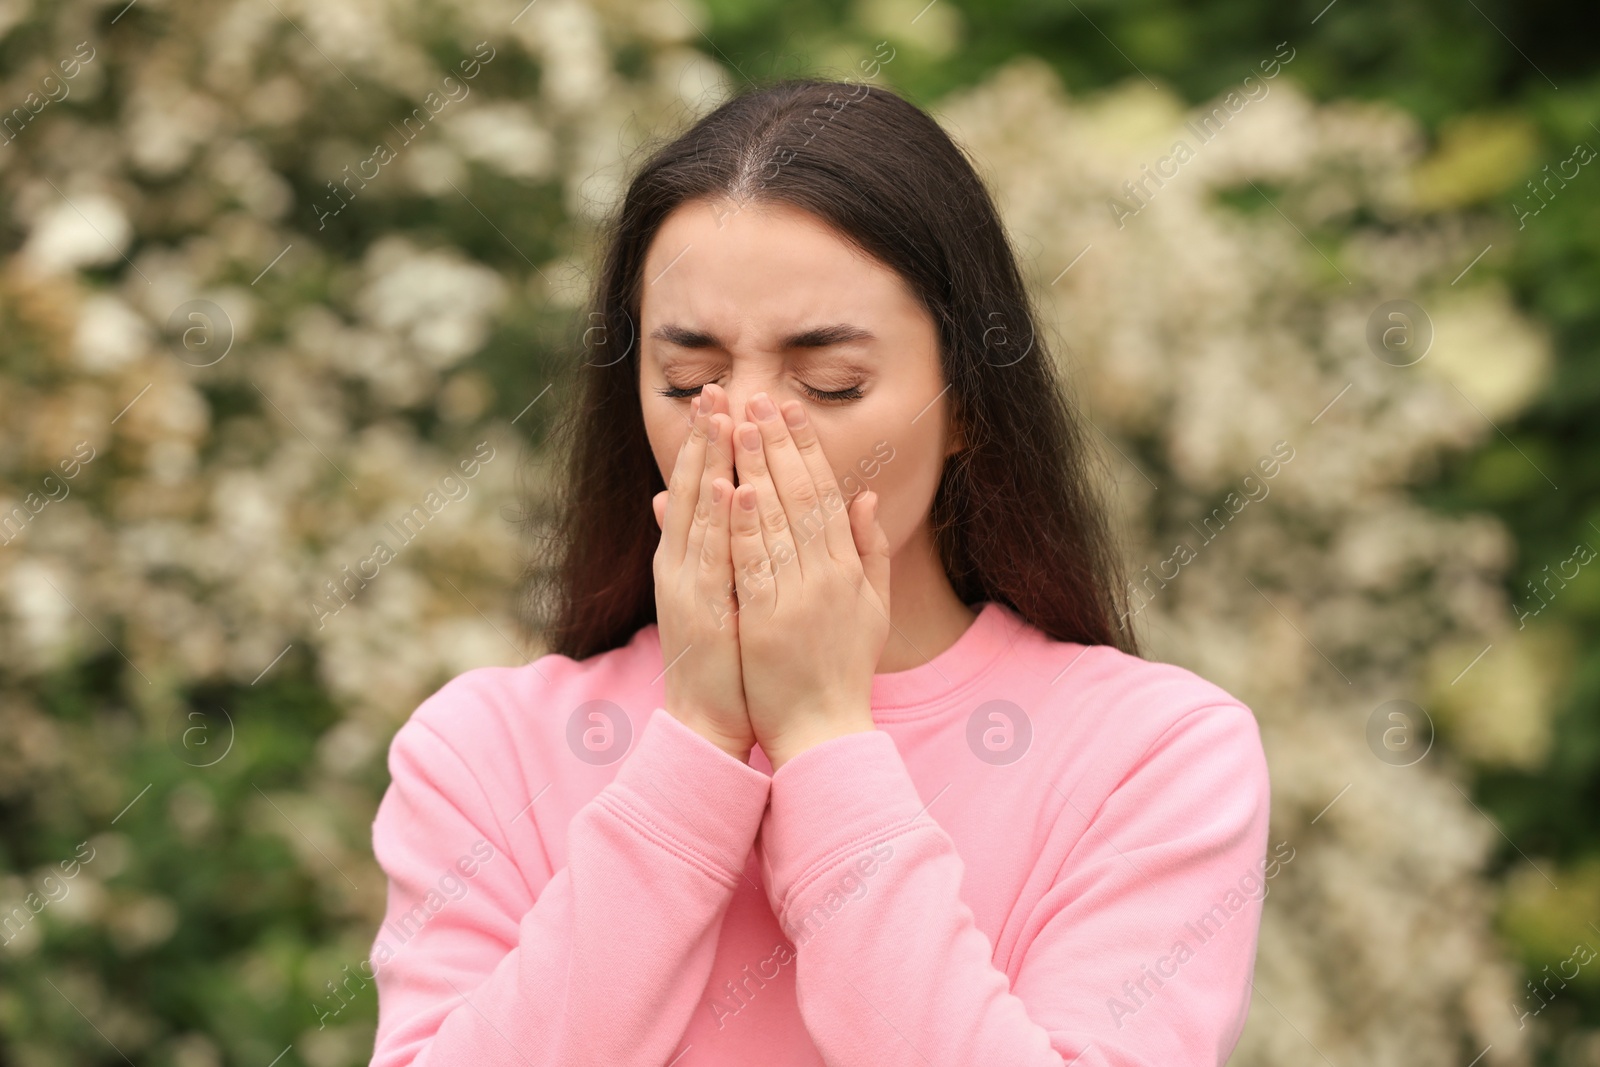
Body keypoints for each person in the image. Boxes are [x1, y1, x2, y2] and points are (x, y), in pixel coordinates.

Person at [366, 76, 1271, 1067]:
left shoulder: (1154, 756)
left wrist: (824, 742)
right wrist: (697, 746)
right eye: (688, 379)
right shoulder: (482, 750)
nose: (744, 426)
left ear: (965, 399)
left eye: (828, 382)